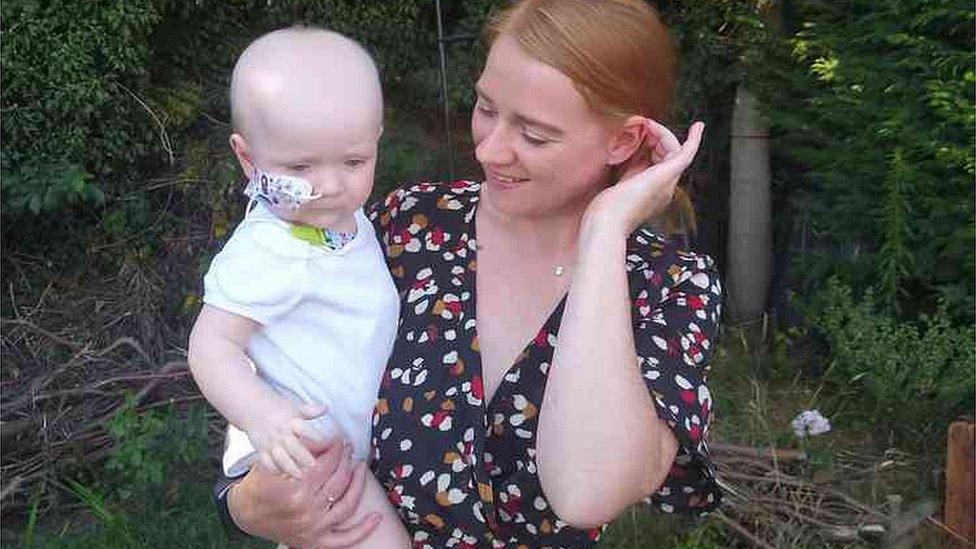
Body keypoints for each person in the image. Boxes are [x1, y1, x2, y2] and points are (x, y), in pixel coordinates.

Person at [219, 0, 722, 547]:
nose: (489, 149)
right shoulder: (406, 227)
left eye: (534, 135)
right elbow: (277, 364)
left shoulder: (670, 285)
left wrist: (603, 234)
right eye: (486, 107)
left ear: (622, 141)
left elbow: (587, 493)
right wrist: (244, 504)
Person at [187, 27, 410, 547]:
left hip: (348, 445)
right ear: (248, 159)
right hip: (308, 450)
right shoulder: (269, 249)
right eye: (300, 167)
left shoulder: (342, 220)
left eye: (354, 162)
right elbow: (210, 344)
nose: (331, 185)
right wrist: (262, 417)